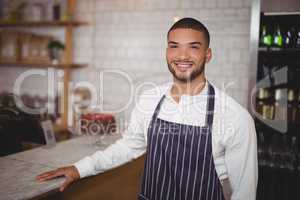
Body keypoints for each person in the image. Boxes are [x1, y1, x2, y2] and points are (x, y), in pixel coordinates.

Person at [36, 17, 258, 200]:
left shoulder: (234, 116)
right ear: (166, 51)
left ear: (207, 55)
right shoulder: (150, 99)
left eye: (193, 47)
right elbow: (129, 146)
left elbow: (245, 192)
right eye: (174, 46)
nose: (182, 56)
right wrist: (79, 169)